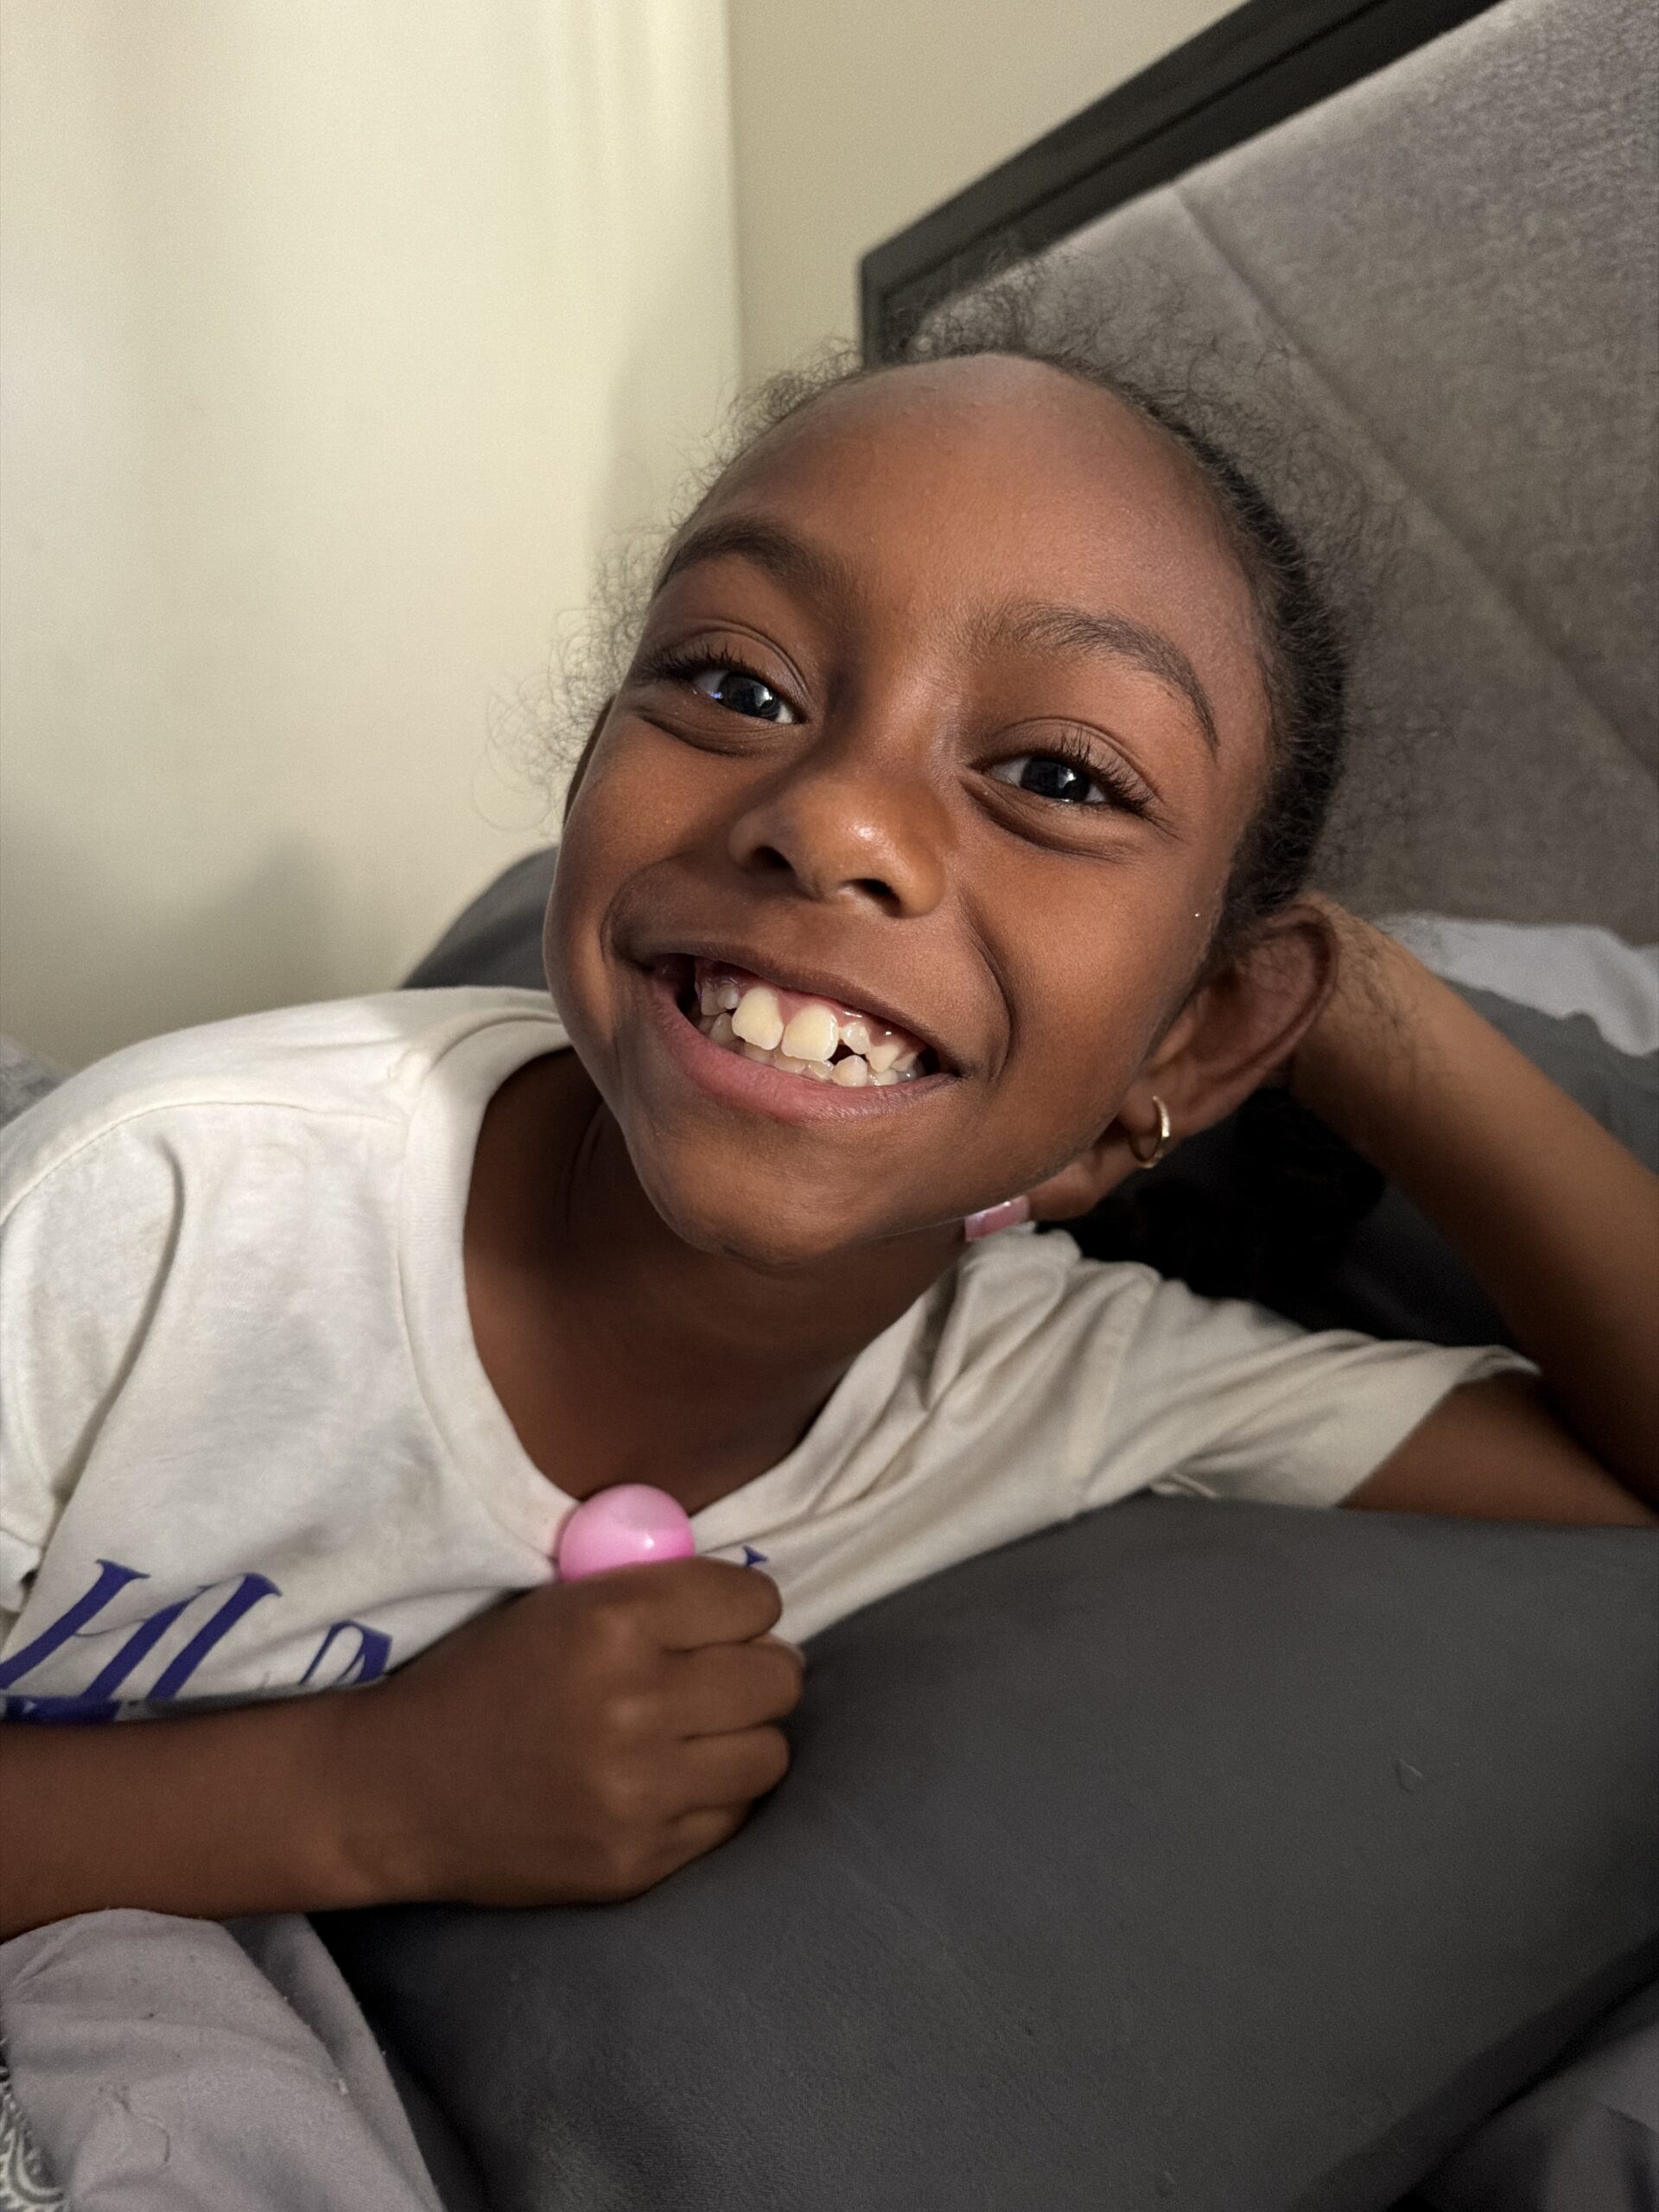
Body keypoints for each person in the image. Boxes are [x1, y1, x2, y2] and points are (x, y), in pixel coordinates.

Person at [3, 315, 1656, 1961]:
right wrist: (370, 1795)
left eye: (1061, 777)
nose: (836, 817)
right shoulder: (154, 1209)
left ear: (1205, 1030)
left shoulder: (1048, 1383)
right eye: (737, 684)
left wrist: (1341, 1002)